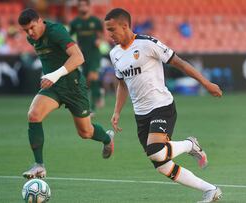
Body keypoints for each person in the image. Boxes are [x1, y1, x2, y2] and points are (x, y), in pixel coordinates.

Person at [105, 8, 222, 203]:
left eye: (112, 29)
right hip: (141, 114)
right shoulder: (114, 54)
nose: (109, 34)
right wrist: (116, 111)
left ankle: (190, 144)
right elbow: (122, 84)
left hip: (162, 106)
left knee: (156, 150)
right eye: (107, 30)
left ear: (125, 26)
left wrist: (206, 83)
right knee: (162, 166)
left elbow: (180, 63)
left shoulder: (147, 43)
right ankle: (211, 190)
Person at [18, 8, 114, 179]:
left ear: (40, 21)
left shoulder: (56, 31)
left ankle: (107, 139)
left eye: (32, 27)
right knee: (34, 115)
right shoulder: (31, 39)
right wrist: (52, 78)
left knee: (85, 132)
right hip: (53, 87)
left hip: (73, 86)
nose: (30, 33)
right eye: (26, 30)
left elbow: (78, 57)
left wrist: (54, 75)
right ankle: (39, 165)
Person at [70, 0, 104, 113]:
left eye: (85, 5)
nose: (83, 8)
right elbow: (69, 37)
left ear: (89, 7)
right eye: (81, 6)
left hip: (94, 54)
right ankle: (98, 93)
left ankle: (92, 108)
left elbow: (101, 35)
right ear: (78, 8)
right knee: (86, 81)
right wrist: (74, 44)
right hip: (81, 55)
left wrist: (99, 40)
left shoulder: (95, 21)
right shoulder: (75, 22)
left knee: (92, 76)